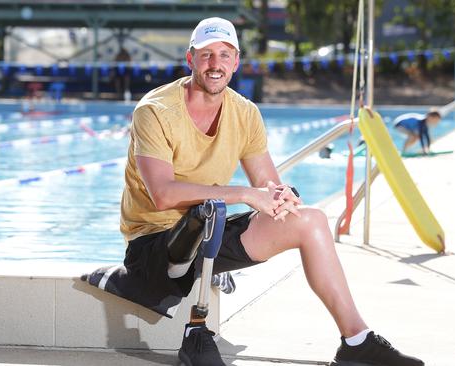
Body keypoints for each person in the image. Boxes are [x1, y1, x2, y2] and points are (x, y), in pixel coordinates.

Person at [120, 17, 424, 366]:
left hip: (208, 229)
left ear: (236, 62)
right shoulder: (155, 111)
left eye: (224, 54)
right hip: (154, 245)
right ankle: (197, 332)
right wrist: (246, 194)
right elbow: (163, 194)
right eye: (206, 55)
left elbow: (267, 182)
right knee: (212, 211)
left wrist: (280, 196)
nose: (215, 64)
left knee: (310, 220)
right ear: (190, 60)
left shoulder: (245, 112)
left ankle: (356, 341)